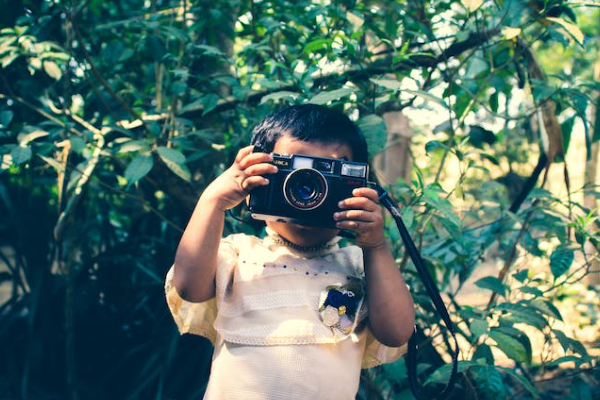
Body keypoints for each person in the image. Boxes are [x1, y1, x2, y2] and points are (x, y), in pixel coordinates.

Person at [165, 104, 415, 400]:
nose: (309, 194)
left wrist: (375, 245)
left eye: (326, 178)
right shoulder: (239, 255)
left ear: (356, 186)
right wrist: (214, 199)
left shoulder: (361, 267)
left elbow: (397, 333)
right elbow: (189, 287)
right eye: (297, 176)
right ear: (258, 176)